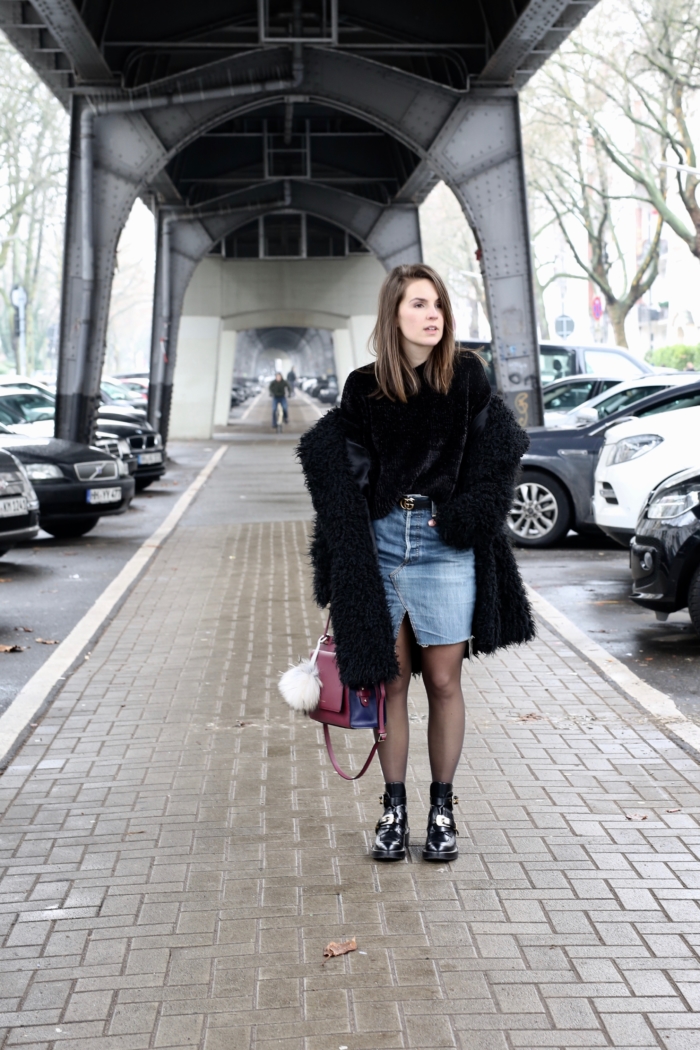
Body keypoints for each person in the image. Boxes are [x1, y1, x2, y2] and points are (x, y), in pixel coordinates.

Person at [298, 264, 534, 864]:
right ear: (394, 314)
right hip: (381, 542)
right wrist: (348, 547)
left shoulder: (467, 378)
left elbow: (499, 453)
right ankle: (394, 811)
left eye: (439, 306)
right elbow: (343, 473)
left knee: (445, 681)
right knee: (392, 682)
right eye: (419, 305)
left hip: (444, 545)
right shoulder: (364, 387)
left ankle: (443, 810)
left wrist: (465, 514)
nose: (433, 315)